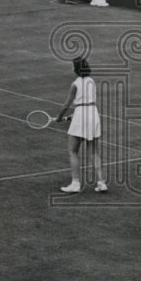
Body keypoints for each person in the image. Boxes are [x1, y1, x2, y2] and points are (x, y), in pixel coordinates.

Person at [55, 57, 107, 193]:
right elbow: (86, 102)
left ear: (76, 69)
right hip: (93, 114)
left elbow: (67, 104)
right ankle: (101, 183)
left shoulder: (75, 84)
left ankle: (75, 184)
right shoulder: (92, 81)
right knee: (95, 152)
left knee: (73, 151)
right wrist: (74, 116)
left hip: (82, 115)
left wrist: (59, 117)